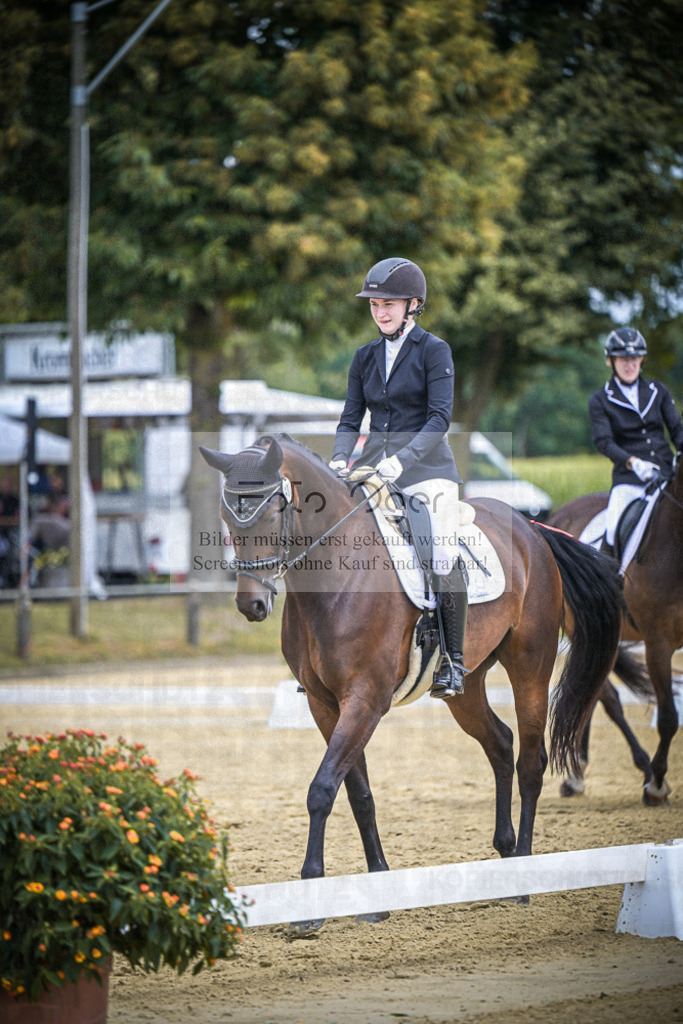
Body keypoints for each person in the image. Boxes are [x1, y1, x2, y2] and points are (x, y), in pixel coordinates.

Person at [330, 257, 467, 698]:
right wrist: (338, 460)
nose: (380, 312)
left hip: (428, 472)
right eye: (374, 305)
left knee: (440, 554)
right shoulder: (364, 356)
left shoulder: (434, 350)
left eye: (389, 304)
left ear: (413, 305)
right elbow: (350, 418)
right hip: (372, 470)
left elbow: (439, 420)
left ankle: (453, 661)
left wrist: (401, 462)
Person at [588, 326, 683, 556]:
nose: (629, 365)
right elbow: (604, 442)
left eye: (634, 358)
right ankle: (612, 579)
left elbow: (677, 430)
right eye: (623, 359)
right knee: (612, 530)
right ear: (610, 360)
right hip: (629, 480)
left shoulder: (657, 391)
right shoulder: (601, 399)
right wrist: (632, 462)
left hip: (666, 474)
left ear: (642, 359)